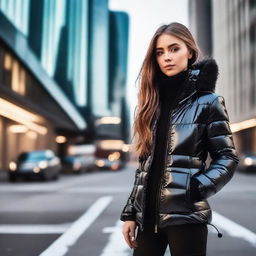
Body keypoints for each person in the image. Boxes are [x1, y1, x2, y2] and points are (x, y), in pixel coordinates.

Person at [120, 22, 239, 256]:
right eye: (160, 52)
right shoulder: (150, 105)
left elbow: (227, 156)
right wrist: (130, 214)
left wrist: (195, 188)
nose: (167, 57)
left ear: (190, 52)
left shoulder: (209, 102)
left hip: (187, 218)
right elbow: (144, 169)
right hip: (147, 219)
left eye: (174, 49)